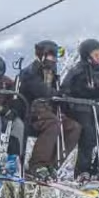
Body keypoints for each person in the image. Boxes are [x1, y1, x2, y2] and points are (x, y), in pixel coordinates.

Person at [61, 38, 99, 190]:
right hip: (83, 109)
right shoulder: (76, 71)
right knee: (88, 134)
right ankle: (83, 171)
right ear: (87, 55)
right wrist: (79, 93)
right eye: (95, 55)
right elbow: (65, 90)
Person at [21, 40, 83, 182]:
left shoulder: (53, 74)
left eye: (56, 56)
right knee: (53, 123)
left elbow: (56, 94)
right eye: (51, 56)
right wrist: (58, 94)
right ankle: (37, 165)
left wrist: (67, 98)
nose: (54, 59)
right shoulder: (31, 72)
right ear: (42, 55)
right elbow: (40, 90)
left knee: (74, 127)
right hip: (33, 110)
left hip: (50, 110)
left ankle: (52, 165)